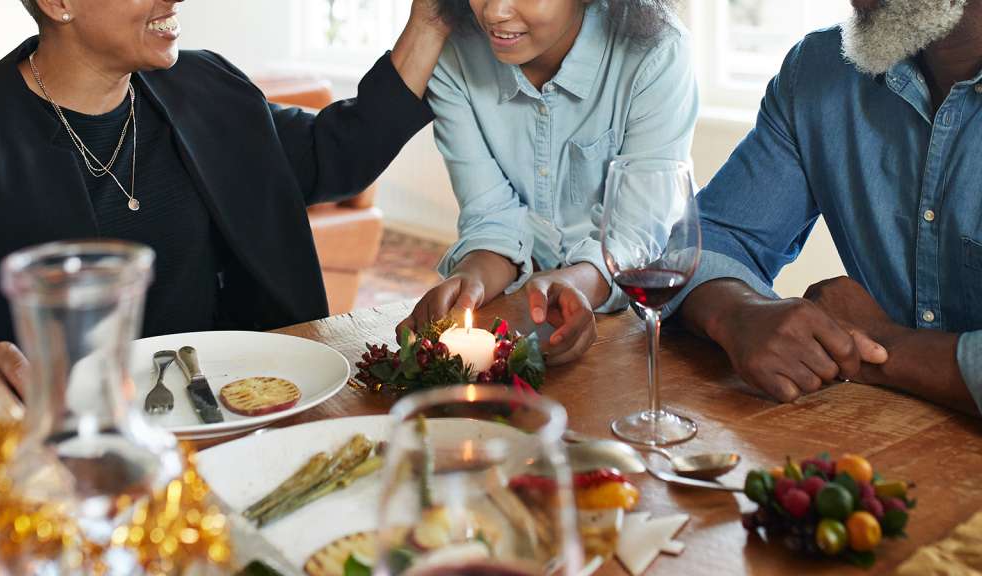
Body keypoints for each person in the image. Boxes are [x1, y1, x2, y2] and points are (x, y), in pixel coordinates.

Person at [0, 0, 450, 393]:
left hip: (234, 402)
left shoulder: (205, 85)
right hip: (77, 443)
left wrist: (428, 23)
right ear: (58, 3)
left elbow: (337, 153)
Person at [671, 0, 981, 416]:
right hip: (874, 443)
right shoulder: (820, 69)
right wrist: (738, 313)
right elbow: (709, 243)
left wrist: (886, 345)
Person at [398, 0, 697, 365]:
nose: (493, 12)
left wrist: (575, 285)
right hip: (520, 324)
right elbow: (490, 215)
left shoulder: (657, 51)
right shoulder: (453, 55)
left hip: (644, 326)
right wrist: (471, 277)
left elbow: (635, 237)